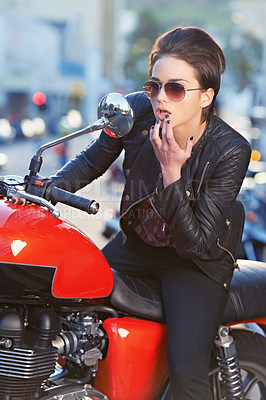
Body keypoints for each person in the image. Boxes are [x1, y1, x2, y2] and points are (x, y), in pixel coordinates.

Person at [51, 27, 251, 399]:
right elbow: (91, 161)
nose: (161, 98)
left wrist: (172, 172)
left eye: (175, 88)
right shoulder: (138, 110)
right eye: (154, 86)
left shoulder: (230, 150)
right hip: (137, 245)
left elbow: (196, 242)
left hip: (195, 262)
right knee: (66, 298)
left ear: (206, 96)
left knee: (186, 368)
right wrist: (40, 189)